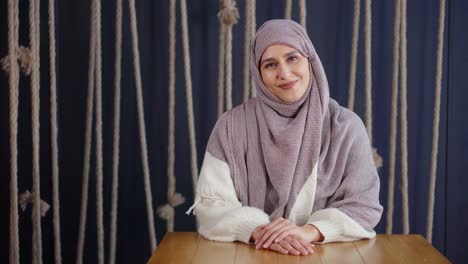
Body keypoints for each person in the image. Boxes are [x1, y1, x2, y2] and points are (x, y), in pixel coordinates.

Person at [188, 19, 383, 256]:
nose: (284, 73)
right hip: (251, 255)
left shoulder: (346, 127)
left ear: (310, 61)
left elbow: (364, 205)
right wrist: (260, 231)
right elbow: (211, 204)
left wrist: (309, 232)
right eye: (270, 64)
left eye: (292, 58)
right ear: (258, 74)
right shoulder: (232, 126)